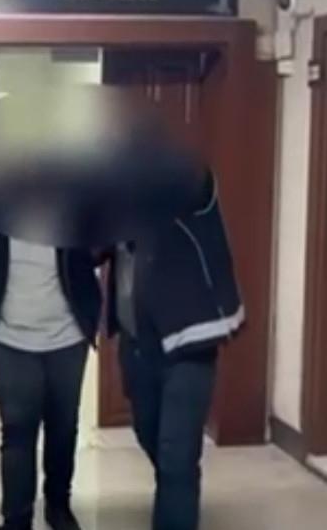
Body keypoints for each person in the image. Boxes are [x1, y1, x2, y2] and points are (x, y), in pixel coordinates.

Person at [104, 163, 244, 530]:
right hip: (138, 344)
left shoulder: (187, 179)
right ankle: (176, 494)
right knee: (149, 435)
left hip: (188, 340)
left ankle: (176, 508)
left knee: (176, 455)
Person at [0, 208, 102, 530]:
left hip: (67, 334)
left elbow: (99, 247)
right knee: (17, 430)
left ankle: (58, 505)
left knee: (63, 427)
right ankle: (16, 518)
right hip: (8, 335)